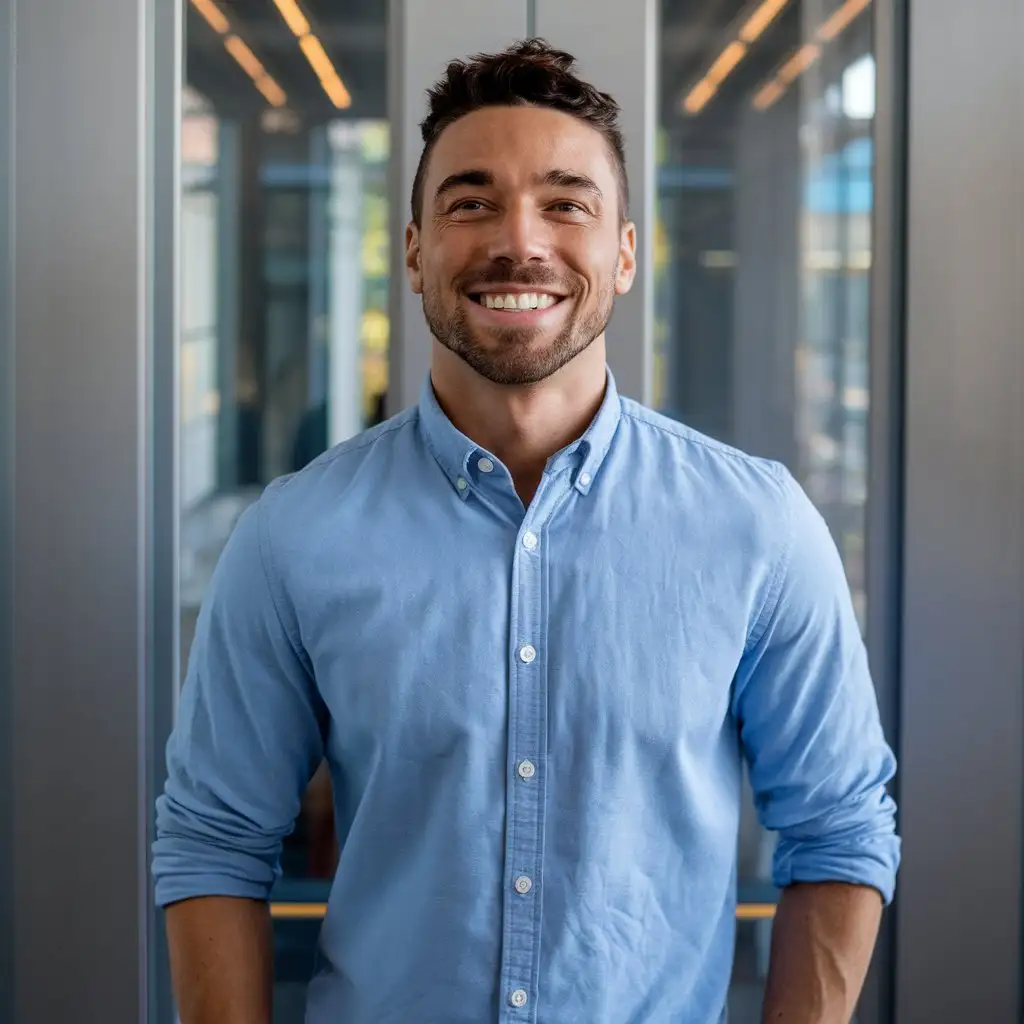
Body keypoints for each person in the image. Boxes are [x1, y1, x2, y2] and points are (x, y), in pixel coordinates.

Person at [153, 39, 900, 1024]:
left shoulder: (757, 526)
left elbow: (839, 829)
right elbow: (214, 838)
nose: (520, 241)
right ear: (415, 250)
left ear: (625, 253)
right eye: (470, 202)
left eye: (566, 202)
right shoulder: (293, 536)